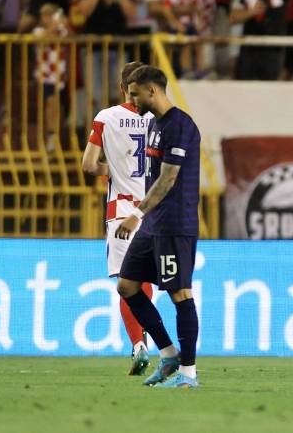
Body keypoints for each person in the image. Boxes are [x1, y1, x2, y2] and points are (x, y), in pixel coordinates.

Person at [114, 66, 202, 389]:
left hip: (175, 224)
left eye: (135, 93)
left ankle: (189, 375)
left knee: (180, 294)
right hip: (153, 224)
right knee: (127, 286)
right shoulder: (153, 125)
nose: (131, 99)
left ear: (152, 90)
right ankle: (167, 355)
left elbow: (168, 178)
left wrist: (136, 213)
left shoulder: (181, 126)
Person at [81, 60, 154, 376]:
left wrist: (108, 169)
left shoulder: (106, 118)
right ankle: (156, 342)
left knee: (127, 284)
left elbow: (88, 164)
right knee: (147, 282)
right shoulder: (159, 120)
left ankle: (138, 345)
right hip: (152, 211)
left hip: (121, 212)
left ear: (122, 86)